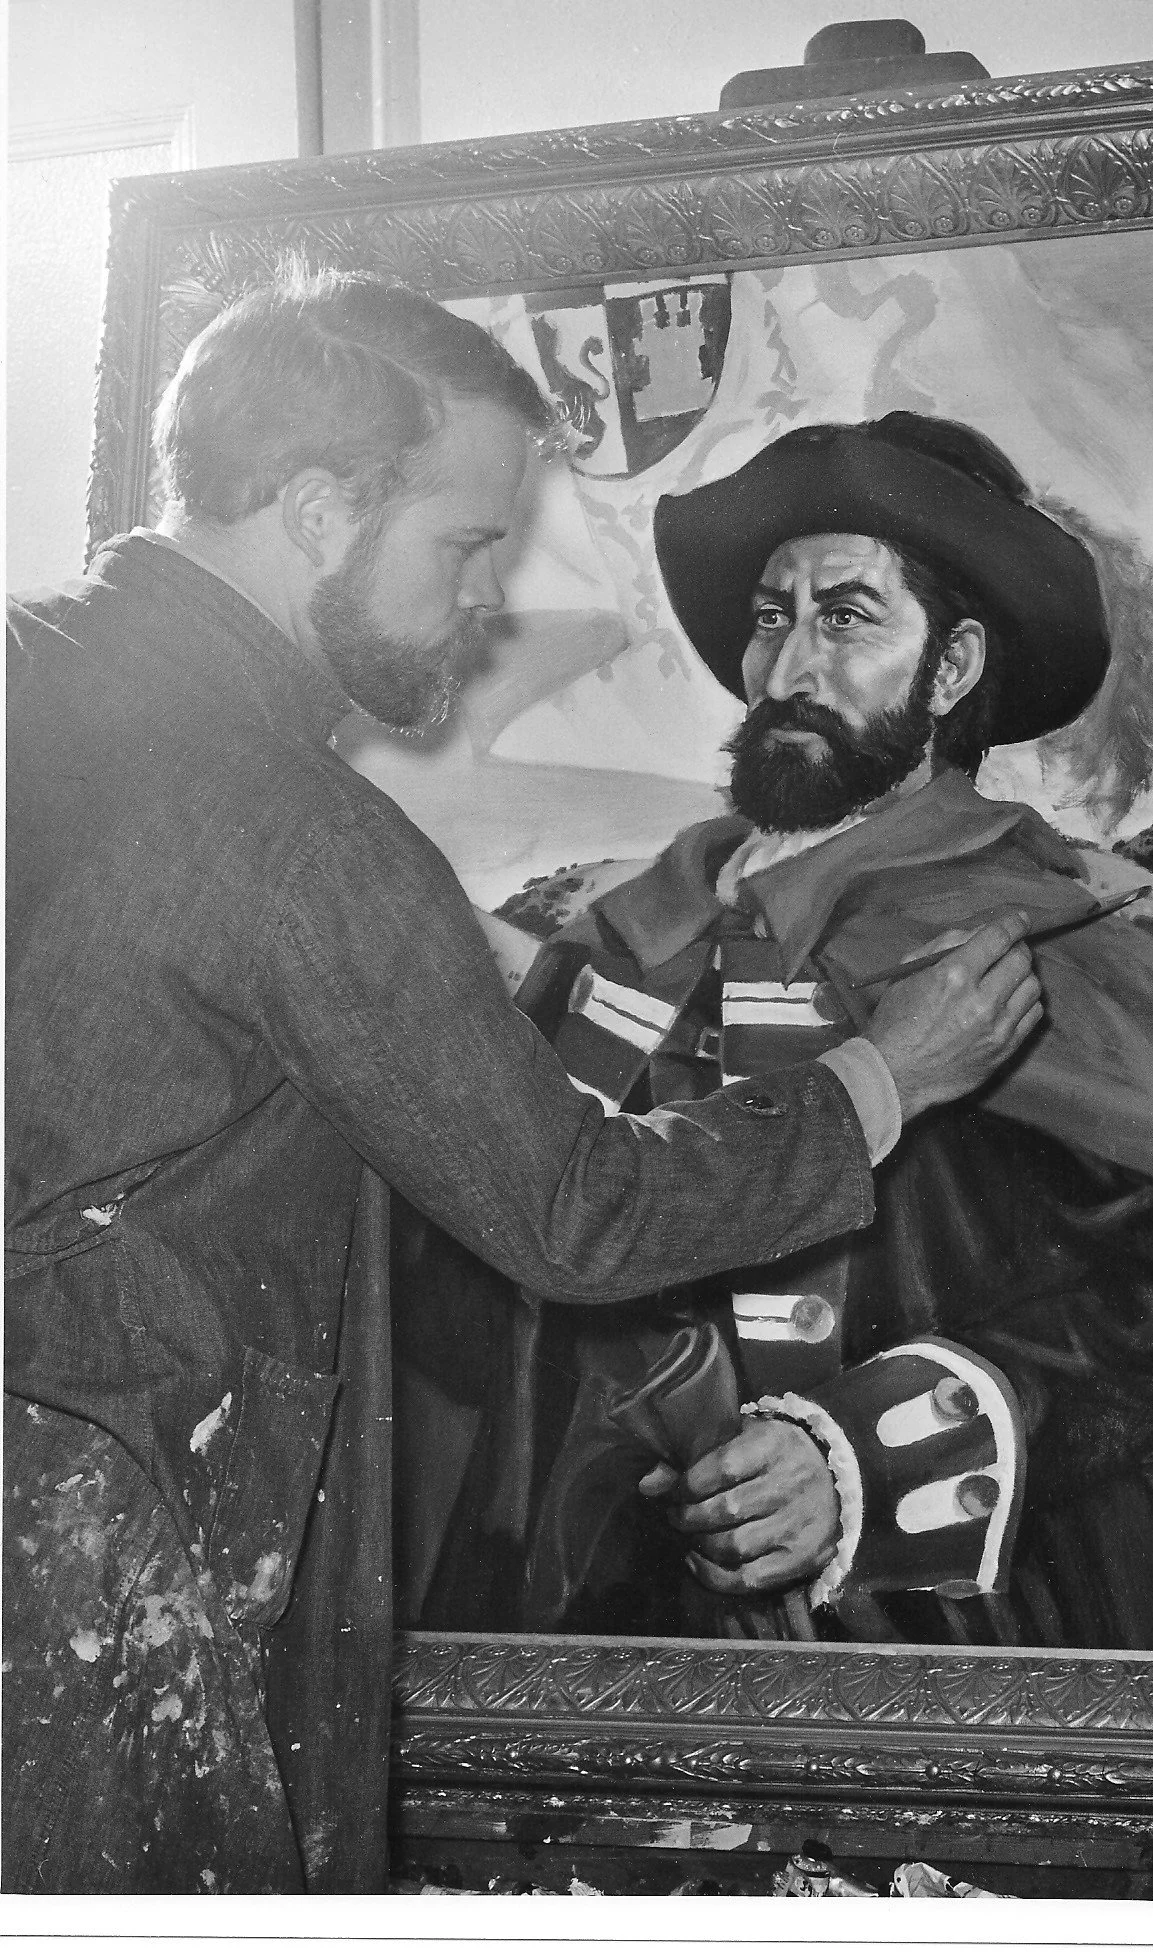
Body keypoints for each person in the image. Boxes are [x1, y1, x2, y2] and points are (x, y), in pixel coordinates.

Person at [3, 280, 1045, 1894]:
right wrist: (870, 1084)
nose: (486, 601)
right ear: (321, 507)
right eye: (464, 544)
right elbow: (569, 1206)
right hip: (86, 1627)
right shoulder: (305, 845)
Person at [402, 413, 1153, 1657]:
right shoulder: (616, 941)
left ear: (949, 670)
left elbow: (1146, 1319)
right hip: (567, 1601)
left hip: (906, 1633)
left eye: (846, 620)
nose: (781, 674)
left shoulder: (1045, 958)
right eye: (773, 616)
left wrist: (850, 1458)